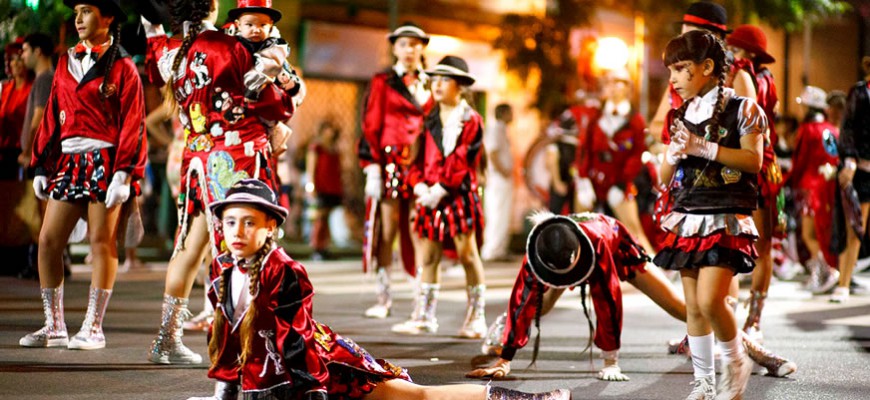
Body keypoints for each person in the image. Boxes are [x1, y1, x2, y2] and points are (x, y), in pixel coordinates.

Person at [187, 179, 571, 400]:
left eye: (249, 222)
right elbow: (229, 346)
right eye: (231, 222)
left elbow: (297, 347)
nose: (237, 232)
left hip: (324, 371)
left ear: (271, 225)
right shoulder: (221, 268)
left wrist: (313, 396)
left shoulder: (286, 270)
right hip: (272, 382)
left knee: (417, 397)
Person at [466, 211, 795, 383]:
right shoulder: (539, 249)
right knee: (538, 303)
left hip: (615, 247)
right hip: (565, 253)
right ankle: (505, 331)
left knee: (686, 309)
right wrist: (505, 358)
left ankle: (759, 353)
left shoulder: (595, 244)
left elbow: (607, 299)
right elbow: (523, 295)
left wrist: (611, 360)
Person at [145, 0, 296, 365]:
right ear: (212, 7)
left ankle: (167, 340)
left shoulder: (171, 51)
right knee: (243, 248)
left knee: (190, 245)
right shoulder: (230, 46)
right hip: (236, 156)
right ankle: (239, 347)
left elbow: (155, 62)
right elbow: (272, 102)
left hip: (196, 158)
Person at [19, 0, 147, 351]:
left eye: (86, 10)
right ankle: (54, 325)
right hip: (68, 162)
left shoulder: (123, 67)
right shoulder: (65, 61)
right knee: (47, 242)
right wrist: (42, 164)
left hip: (105, 162)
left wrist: (124, 173)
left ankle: (94, 327)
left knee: (101, 242)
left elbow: (133, 124)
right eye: (76, 11)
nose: (78, 18)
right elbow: (52, 117)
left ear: (107, 18)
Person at [655, 30, 767, 400]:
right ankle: (703, 384)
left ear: (707, 68)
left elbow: (753, 161)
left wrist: (703, 147)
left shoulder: (744, 109)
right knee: (694, 308)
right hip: (687, 215)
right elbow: (663, 178)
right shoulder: (681, 113)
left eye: (681, 69)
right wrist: (671, 153)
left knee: (709, 301)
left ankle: (736, 362)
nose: (673, 79)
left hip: (726, 216)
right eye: (670, 69)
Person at [389, 56, 487, 338]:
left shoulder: (471, 119)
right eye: (435, 79)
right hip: (428, 194)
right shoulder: (427, 117)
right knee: (429, 256)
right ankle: (424, 316)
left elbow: (463, 159)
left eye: (445, 80)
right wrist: (419, 186)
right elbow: (414, 158)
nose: (438, 85)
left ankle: (476, 317)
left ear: (461, 86)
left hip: (457, 194)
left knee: (468, 254)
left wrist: (441, 188)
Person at [358, 22, 434, 319]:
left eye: (415, 44)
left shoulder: (431, 82)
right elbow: (371, 122)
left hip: (420, 164)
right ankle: (383, 295)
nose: (410, 50)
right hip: (389, 160)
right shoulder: (383, 80)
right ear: (394, 48)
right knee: (387, 229)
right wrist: (372, 167)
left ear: (422, 48)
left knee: (419, 229)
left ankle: (420, 295)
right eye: (404, 44)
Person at [725, 24, 781, 343]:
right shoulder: (761, 78)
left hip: (756, 169)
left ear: (745, 53)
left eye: (733, 48)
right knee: (742, 245)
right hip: (752, 165)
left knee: (758, 247)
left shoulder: (745, 75)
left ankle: (752, 321)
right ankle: (741, 322)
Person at [571, 68, 655, 255]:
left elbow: (637, 153)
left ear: (627, 88)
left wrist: (622, 182)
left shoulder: (635, 120)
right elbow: (584, 149)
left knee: (635, 232)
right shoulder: (594, 115)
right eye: (610, 82)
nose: (614, 87)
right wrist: (583, 179)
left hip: (618, 183)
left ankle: (657, 271)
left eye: (619, 83)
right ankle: (574, 271)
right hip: (592, 180)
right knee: (578, 228)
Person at [649, 2, 757, 145]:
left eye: (690, 38)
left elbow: (748, 137)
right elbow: (656, 126)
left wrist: (703, 145)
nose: (684, 44)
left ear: (715, 37)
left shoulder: (737, 76)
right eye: (682, 37)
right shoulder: (680, 79)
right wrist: (685, 136)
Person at [787, 85, 841, 295]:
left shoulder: (807, 130)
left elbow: (799, 162)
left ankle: (825, 270)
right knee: (824, 232)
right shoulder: (831, 130)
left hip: (809, 187)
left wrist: (787, 181)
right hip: (828, 185)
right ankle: (824, 270)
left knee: (809, 234)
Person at [15, 33, 56, 280]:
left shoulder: (44, 79)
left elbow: (38, 117)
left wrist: (28, 150)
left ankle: (44, 266)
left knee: (43, 216)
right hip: (43, 156)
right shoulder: (46, 78)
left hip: (42, 157)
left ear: (39, 51)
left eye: (26, 50)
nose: (23, 55)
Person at [834, 57, 870, 303]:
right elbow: (847, 129)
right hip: (863, 168)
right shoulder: (860, 92)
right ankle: (843, 282)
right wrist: (849, 160)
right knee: (855, 226)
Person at [305, 120, 344, 260]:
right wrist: (311, 186)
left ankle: (325, 246)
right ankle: (316, 246)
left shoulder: (334, 148)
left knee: (327, 218)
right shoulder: (316, 147)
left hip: (332, 188)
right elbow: (311, 167)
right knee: (319, 219)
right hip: (321, 187)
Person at [480, 103, 514, 262]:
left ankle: (499, 249)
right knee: (496, 213)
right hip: (498, 178)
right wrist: (503, 170)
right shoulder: (495, 129)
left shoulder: (501, 130)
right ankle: (492, 250)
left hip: (502, 177)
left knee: (502, 213)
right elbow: (492, 153)